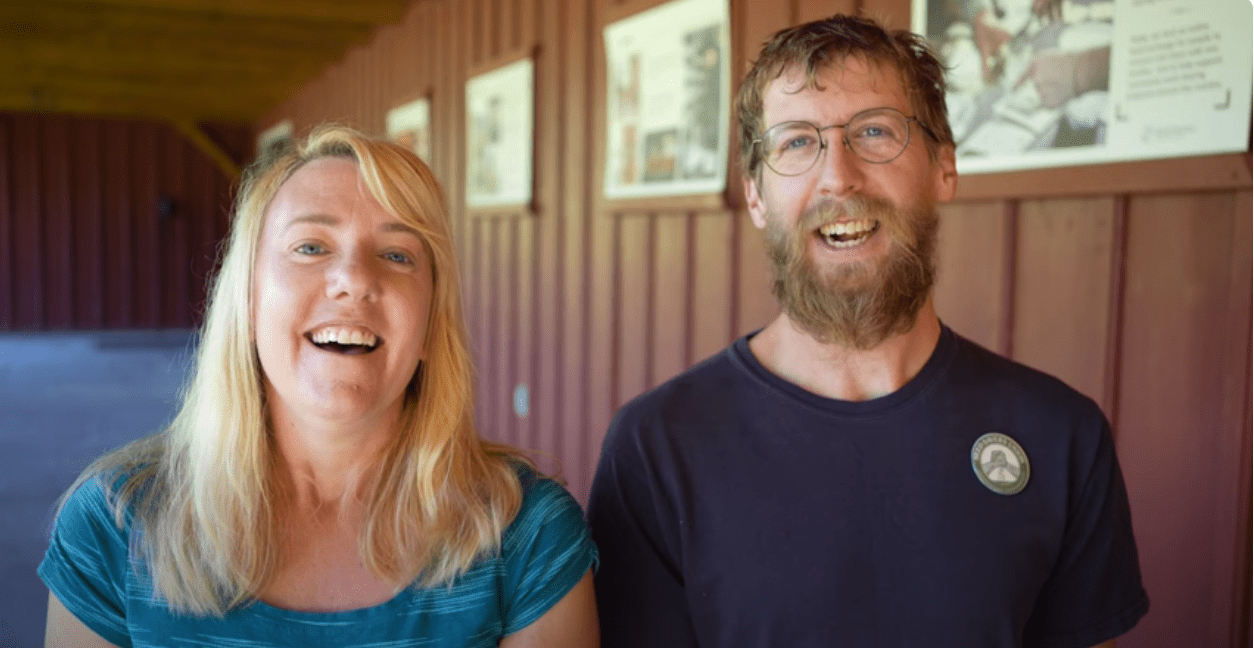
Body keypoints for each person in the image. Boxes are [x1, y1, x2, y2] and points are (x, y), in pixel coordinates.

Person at [588, 14, 1146, 648]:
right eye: (797, 142)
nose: (838, 176)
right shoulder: (657, 448)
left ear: (945, 168)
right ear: (756, 196)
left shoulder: (1060, 436)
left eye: (875, 132)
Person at [40, 126, 599, 648]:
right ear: (248, 301)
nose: (355, 278)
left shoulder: (527, 536)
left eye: (397, 255)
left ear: (431, 323)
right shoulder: (112, 526)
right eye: (310, 246)